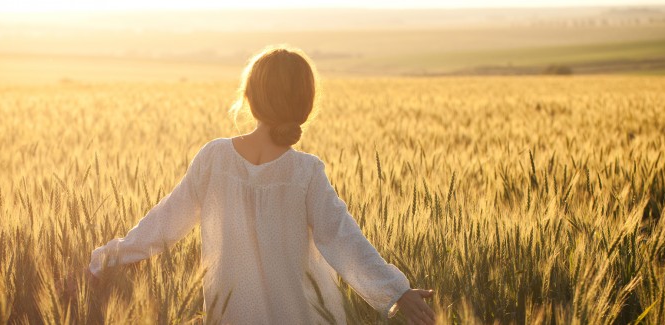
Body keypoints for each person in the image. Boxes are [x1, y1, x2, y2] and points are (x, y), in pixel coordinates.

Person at [85, 45, 436, 324]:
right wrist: (397, 292)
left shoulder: (215, 158)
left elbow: (163, 223)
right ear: (305, 104)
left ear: (249, 98)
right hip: (302, 316)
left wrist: (105, 259)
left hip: (230, 316)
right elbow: (344, 241)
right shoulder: (305, 172)